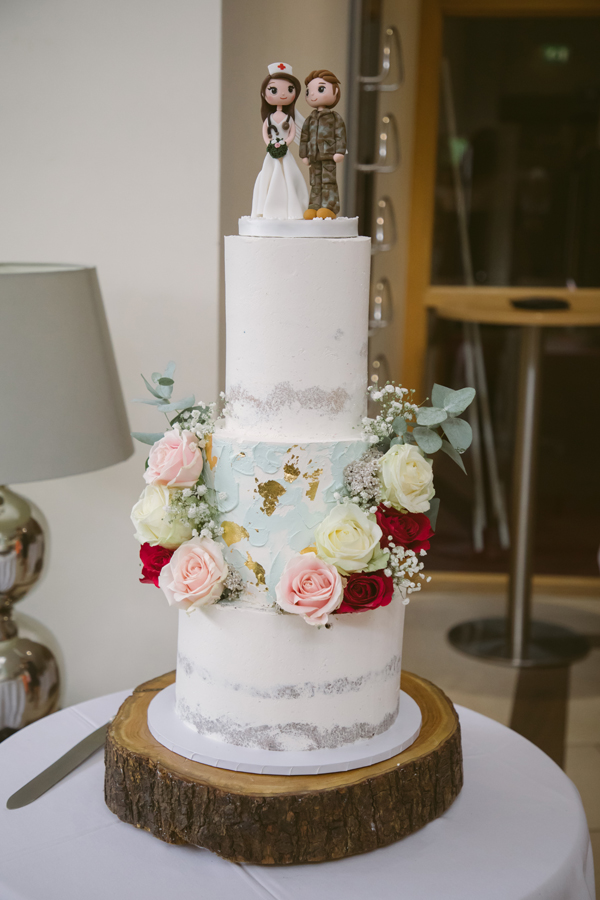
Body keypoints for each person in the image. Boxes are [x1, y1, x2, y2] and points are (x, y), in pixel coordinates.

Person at [251, 63, 309, 220]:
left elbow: (292, 134)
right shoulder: (269, 119)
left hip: (285, 151)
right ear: (264, 93)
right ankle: (268, 207)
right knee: (270, 173)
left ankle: (292, 207)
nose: (283, 94)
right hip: (272, 152)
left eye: (289, 89)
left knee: (289, 175)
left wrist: (285, 143)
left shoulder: (289, 118)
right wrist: (270, 144)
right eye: (274, 90)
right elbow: (265, 133)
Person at [299, 69, 347, 219]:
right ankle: (314, 206)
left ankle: (329, 207)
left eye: (320, 89)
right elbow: (304, 137)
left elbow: (340, 134)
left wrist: (339, 151)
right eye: (309, 91)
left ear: (335, 92)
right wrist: (304, 154)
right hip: (314, 156)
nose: (313, 94)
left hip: (328, 155)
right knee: (315, 182)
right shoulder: (310, 119)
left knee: (328, 182)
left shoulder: (335, 117)